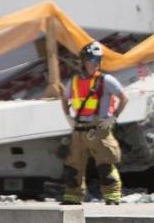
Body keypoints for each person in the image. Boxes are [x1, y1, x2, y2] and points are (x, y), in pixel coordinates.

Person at [59, 42, 127, 205]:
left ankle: (112, 197)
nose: (94, 63)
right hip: (79, 129)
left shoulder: (106, 80)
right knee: (73, 166)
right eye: (91, 59)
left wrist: (114, 116)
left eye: (97, 59)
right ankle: (72, 198)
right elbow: (64, 99)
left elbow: (124, 98)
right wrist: (68, 116)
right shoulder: (74, 81)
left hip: (99, 129)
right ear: (83, 61)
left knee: (105, 165)